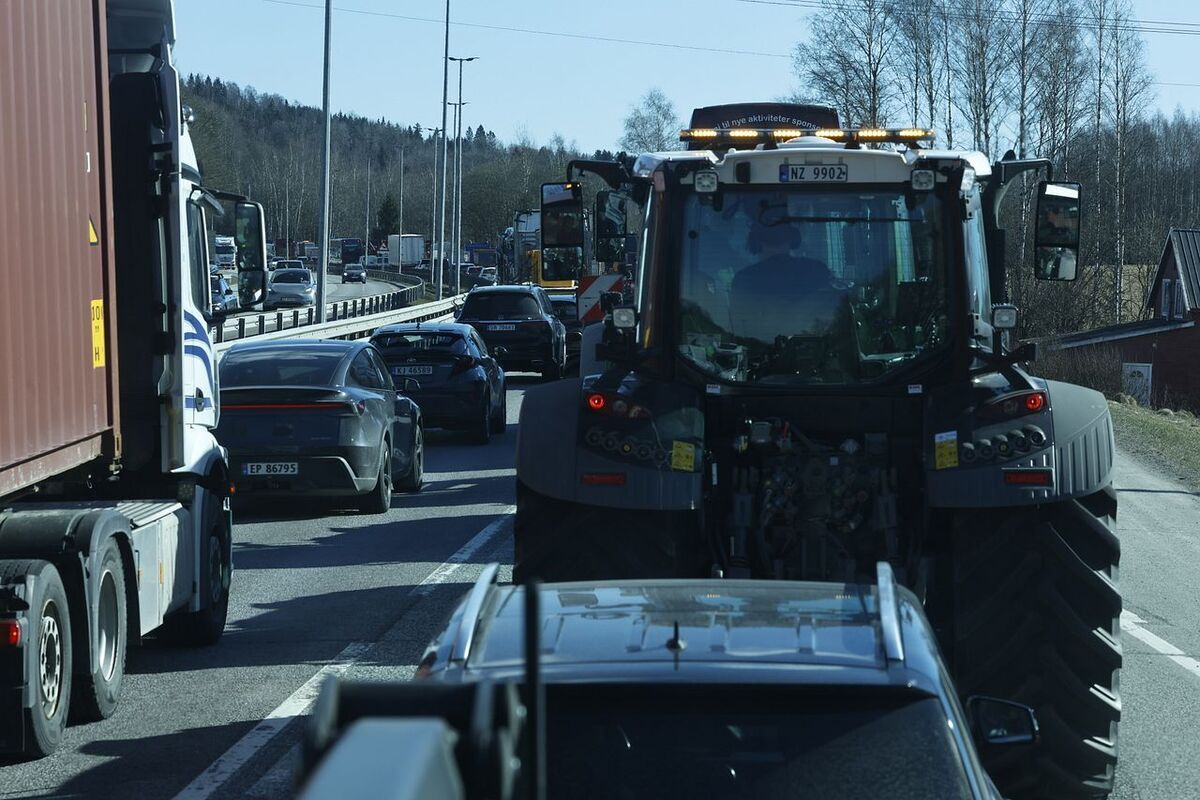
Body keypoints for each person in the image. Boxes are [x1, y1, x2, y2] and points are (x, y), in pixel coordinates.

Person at [728, 221, 842, 344]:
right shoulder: (817, 270)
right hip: (819, 355)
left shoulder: (744, 279)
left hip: (760, 358)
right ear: (792, 239)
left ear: (755, 242)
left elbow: (738, 330)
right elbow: (836, 318)